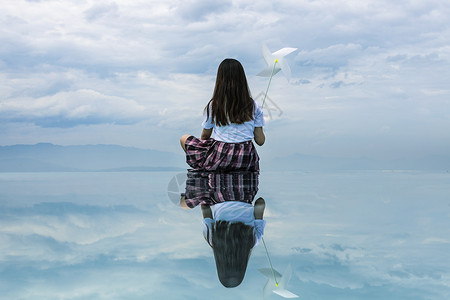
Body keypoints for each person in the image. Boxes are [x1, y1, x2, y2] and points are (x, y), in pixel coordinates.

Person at [180, 58, 265, 172]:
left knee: (183, 138)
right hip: (246, 158)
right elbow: (260, 141)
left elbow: (205, 136)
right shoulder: (254, 105)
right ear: (242, 79)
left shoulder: (213, 104)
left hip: (220, 156)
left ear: (220, 80)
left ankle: (205, 175)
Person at [202, 197, 266, 288]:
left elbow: (260, 203)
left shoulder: (253, 241)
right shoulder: (212, 241)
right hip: (219, 194)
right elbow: (205, 208)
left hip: (246, 192)